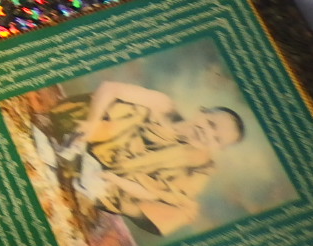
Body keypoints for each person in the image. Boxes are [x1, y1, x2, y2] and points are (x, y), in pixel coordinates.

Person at [43, 81, 245, 236]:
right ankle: (75, 148)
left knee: (186, 207)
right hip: (94, 132)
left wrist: (113, 179)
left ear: (218, 148)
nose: (207, 133)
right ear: (201, 112)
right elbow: (110, 88)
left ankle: (85, 172)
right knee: (134, 111)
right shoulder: (164, 105)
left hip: (112, 176)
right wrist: (92, 122)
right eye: (211, 124)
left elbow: (153, 193)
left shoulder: (198, 163)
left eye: (216, 139)